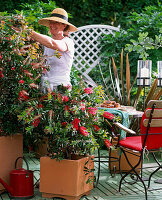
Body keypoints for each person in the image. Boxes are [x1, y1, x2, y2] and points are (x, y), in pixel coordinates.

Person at [29, 8, 78, 92]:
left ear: (64, 26)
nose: (52, 25)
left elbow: (52, 44)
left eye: (56, 22)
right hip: (45, 87)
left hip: (61, 87)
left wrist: (29, 31)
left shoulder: (67, 42)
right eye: (51, 22)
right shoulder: (45, 44)